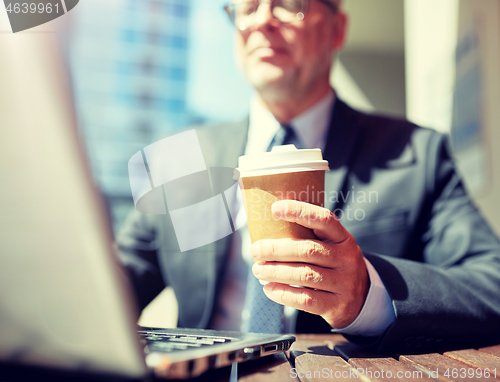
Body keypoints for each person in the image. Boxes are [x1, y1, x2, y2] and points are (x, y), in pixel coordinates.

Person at [117, 0, 500, 353]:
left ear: (337, 29)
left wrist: (367, 291)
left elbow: (492, 285)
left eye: (290, 3)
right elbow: (115, 281)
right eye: (247, 7)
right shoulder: (182, 159)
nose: (262, 20)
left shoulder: (418, 153)